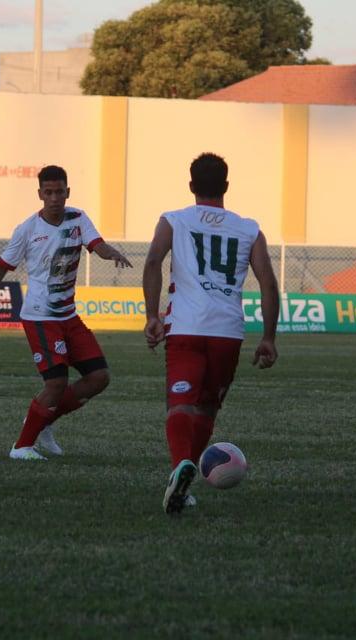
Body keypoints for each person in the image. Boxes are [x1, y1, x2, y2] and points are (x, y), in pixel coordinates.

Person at [142, 153, 280, 514]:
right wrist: (269, 337)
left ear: (191, 186)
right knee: (206, 406)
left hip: (186, 327)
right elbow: (268, 282)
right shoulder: (249, 228)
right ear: (227, 186)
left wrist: (151, 315)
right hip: (227, 331)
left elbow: (153, 261)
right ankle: (184, 487)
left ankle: (180, 467)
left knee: (180, 404)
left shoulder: (173, 220)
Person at [0, 165, 133, 460]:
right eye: (48, 192)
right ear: (40, 195)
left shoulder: (78, 217)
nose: (55, 198)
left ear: (67, 192)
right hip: (40, 317)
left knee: (99, 377)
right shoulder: (27, 230)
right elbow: (2, 266)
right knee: (56, 383)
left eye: (60, 191)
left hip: (68, 316)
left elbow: (96, 244)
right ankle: (21, 447)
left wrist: (110, 253)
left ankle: (44, 420)